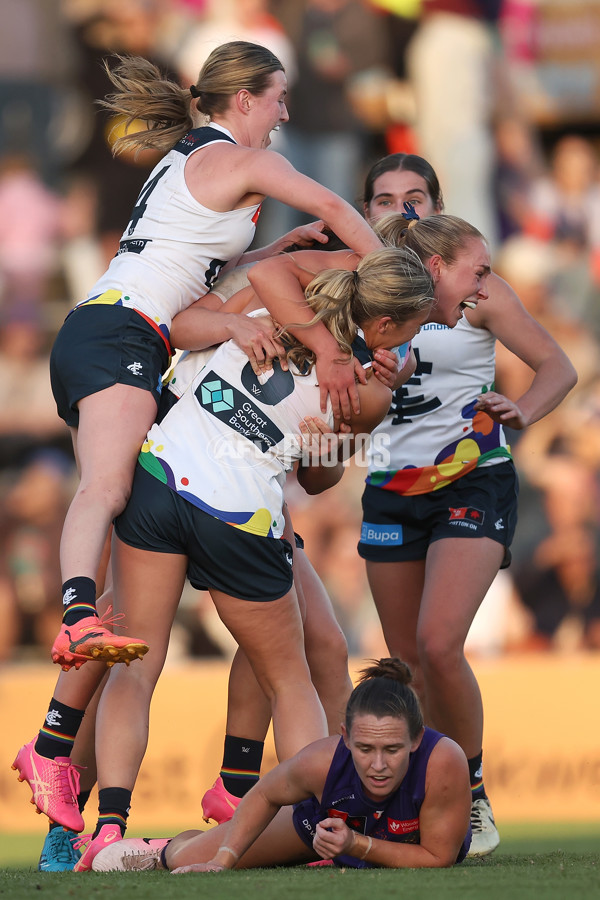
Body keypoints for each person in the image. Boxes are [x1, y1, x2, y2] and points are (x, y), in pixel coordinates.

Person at [67, 243, 435, 871]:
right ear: (381, 325)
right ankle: (325, 827)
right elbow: (316, 483)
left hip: (161, 478)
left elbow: (186, 327)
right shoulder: (369, 390)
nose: (411, 341)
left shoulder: (264, 300)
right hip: (239, 513)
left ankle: (108, 827)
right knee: (287, 676)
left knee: (135, 664)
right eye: (411, 328)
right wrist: (331, 437)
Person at [45, 39, 383, 675]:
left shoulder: (192, 158)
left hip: (112, 327)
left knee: (137, 526)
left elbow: (192, 270)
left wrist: (272, 250)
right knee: (109, 485)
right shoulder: (241, 160)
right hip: (124, 332)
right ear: (247, 98)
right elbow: (337, 206)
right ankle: (74, 617)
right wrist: (397, 271)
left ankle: (55, 739)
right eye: (279, 99)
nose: (285, 114)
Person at [168, 209, 494, 825]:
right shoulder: (305, 295)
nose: (480, 290)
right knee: (273, 658)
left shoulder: (372, 368)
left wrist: (334, 438)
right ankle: (320, 815)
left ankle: (230, 788)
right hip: (200, 476)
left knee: (319, 642)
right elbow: (193, 318)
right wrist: (243, 327)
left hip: (232, 489)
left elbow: (317, 477)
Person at [354, 153, 577, 856]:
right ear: (363, 213)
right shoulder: (351, 294)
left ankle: (473, 796)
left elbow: (558, 367)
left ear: (437, 209)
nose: (401, 209)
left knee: (440, 641)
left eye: (415, 197)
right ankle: (421, 802)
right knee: (404, 662)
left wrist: (520, 412)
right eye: (384, 198)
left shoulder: (477, 289)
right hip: (389, 489)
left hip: (471, 477)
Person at [91, 658, 472, 873]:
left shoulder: (443, 762)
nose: (377, 765)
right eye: (364, 748)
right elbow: (264, 794)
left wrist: (354, 845)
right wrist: (223, 860)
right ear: (344, 737)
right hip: (320, 828)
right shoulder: (322, 761)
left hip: (351, 838)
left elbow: (436, 858)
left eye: (392, 749)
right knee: (185, 860)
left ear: (417, 740)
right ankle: (163, 847)